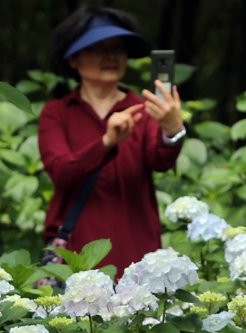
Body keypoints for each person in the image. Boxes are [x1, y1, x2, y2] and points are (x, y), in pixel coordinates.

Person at [39, 6, 185, 277]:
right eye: (98, 48)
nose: (110, 56)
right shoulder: (57, 113)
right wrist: (105, 142)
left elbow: (160, 160)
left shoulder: (145, 108)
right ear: (73, 60)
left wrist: (173, 129)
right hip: (76, 252)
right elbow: (61, 172)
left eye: (118, 48)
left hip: (137, 248)